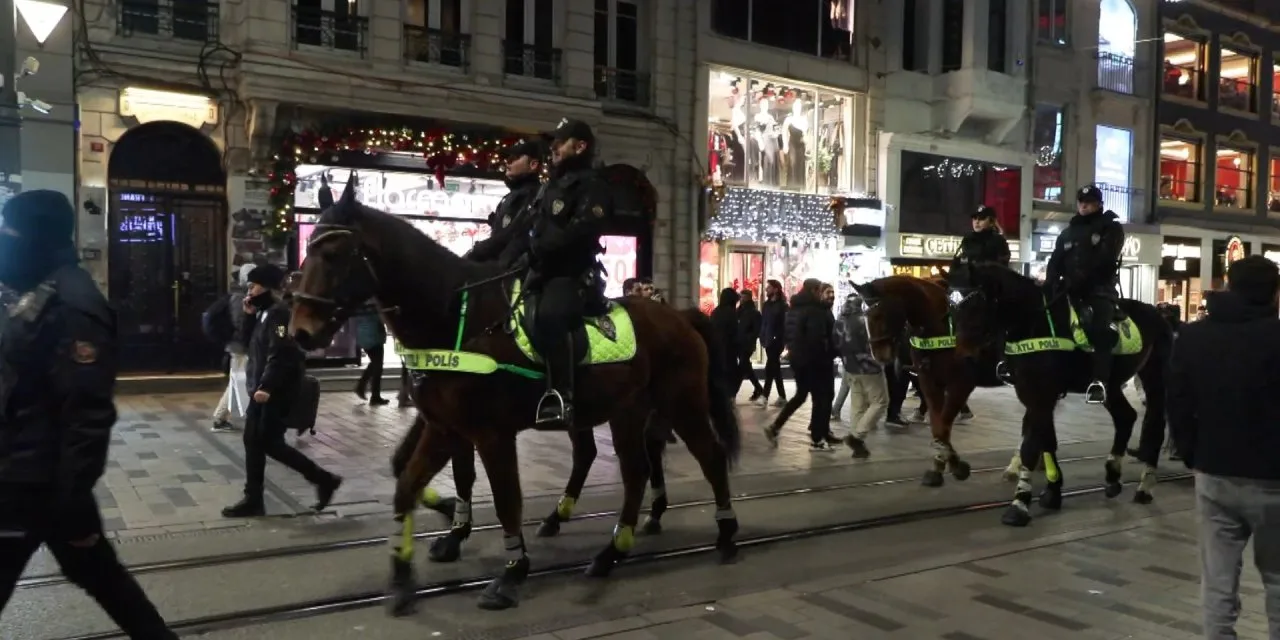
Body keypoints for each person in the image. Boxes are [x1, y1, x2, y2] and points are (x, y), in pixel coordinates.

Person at [0, 190, 177, 637]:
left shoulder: (74, 302)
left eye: (9, 231)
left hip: (32, 482)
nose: (3, 239)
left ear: (35, 237)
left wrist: (72, 501)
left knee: (105, 580)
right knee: (105, 580)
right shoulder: (41, 290)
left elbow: (87, 412)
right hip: (25, 474)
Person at [1166, 255, 1280, 640]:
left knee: (1217, 581)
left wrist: (1193, 453)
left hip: (1214, 473)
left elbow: (1177, 402)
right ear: (1274, 293)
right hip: (1274, 480)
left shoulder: (1196, 337)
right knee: (1278, 582)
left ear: (1229, 285)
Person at [223, 264, 343, 517]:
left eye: (254, 286)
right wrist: (247, 315)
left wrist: (267, 386)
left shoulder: (278, 315)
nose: (250, 290)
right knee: (256, 441)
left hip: (275, 390)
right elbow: (246, 344)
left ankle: (322, 479)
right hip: (262, 387)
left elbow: (282, 352)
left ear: (267, 287)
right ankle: (254, 498)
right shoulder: (263, 313)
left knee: (268, 443)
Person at [516, 118, 610, 428]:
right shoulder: (549, 186)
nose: (553, 147)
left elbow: (583, 230)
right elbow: (525, 229)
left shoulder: (592, 184)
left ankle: (562, 395)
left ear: (580, 146)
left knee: (551, 316)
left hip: (573, 274)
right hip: (541, 272)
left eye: (561, 141)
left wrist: (542, 248)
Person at [1044, 185, 1125, 404]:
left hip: (1098, 291)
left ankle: (1100, 381)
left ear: (1099, 204)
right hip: (1068, 291)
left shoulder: (1111, 227)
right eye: (1081, 201)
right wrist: (1050, 283)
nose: (1083, 205)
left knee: (1098, 327)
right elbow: (1055, 261)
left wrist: (1079, 280)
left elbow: (1106, 260)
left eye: (1088, 201)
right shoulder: (1068, 232)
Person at [764, 278, 838, 451]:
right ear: (814, 291)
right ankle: (817, 439)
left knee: (801, 395)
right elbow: (816, 339)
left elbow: (789, 334)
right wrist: (829, 353)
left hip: (797, 360)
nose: (821, 293)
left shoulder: (793, 308)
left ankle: (775, 427)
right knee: (821, 397)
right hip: (815, 360)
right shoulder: (815, 310)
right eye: (820, 290)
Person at [469, 141, 544, 267]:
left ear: (533, 164)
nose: (508, 162)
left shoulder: (533, 195)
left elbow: (511, 235)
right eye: (508, 158)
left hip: (511, 272)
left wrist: (476, 252)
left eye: (515, 158)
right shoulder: (513, 195)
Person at [831, 293, 888, 458]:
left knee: (858, 405)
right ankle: (857, 437)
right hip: (869, 368)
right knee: (880, 402)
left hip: (849, 367)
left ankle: (858, 446)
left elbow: (836, 344)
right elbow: (875, 343)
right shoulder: (865, 321)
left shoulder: (839, 321)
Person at [212, 263, 257, 432]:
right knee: (237, 383)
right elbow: (241, 325)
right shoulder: (239, 298)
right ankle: (219, 418)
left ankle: (222, 417)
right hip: (240, 348)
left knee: (238, 382)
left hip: (239, 347)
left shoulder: (240, 296)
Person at [758, 279, 789, 407]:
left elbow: (785, 325)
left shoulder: (783, 306)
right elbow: (764, 322)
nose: (766, 290)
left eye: (769, 287)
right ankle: (782, 397)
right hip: (767, 340)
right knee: (774, 368)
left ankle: (765, 396)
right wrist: (762, 336)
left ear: (776, 289)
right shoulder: (766, 305)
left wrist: (781, 339)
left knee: (770, 367)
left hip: (777, 341)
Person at [353, 301, 389, 406]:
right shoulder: (373, 304)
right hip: (373, 337)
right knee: (377, 365)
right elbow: (381, 318)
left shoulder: (361, 305)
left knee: (375, 364)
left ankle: (363, 387)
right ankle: (373, 395)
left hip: (365, 336)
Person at [710, 288, 742, 393]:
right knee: (730, 376)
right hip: (728, 350)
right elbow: (734, 333)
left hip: (716, 349)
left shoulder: (715, 312)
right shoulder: (731, 313)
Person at [735, 289, 765, 399]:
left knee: (742, 366)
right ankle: (758, 388)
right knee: (746, 367)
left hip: (747, 344)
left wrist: (748, 338)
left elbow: (756, 330)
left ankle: (733, 393)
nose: (741, 299)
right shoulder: (739, 311)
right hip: (739, 343)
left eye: (742, 297)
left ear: (748, 297)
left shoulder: (754, 312)